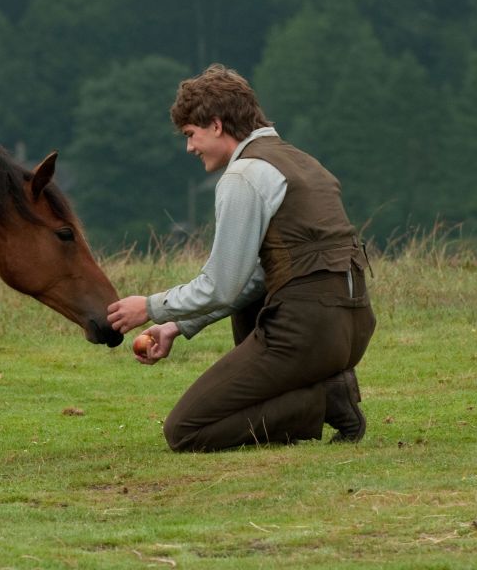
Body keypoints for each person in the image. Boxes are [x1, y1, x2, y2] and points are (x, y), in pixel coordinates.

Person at [107, 64, 375, 451]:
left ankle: (326, 399)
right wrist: (177, 326)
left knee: (185, 431)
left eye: (191, 134)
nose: (189, 147)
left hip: (305, 334)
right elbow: (256, 279)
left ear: (217, 125)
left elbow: (221, 285)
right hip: (351, 329)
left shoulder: (245, 175)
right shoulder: (301, 162)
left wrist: (149, 308)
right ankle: (325, 389)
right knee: (247, 310)